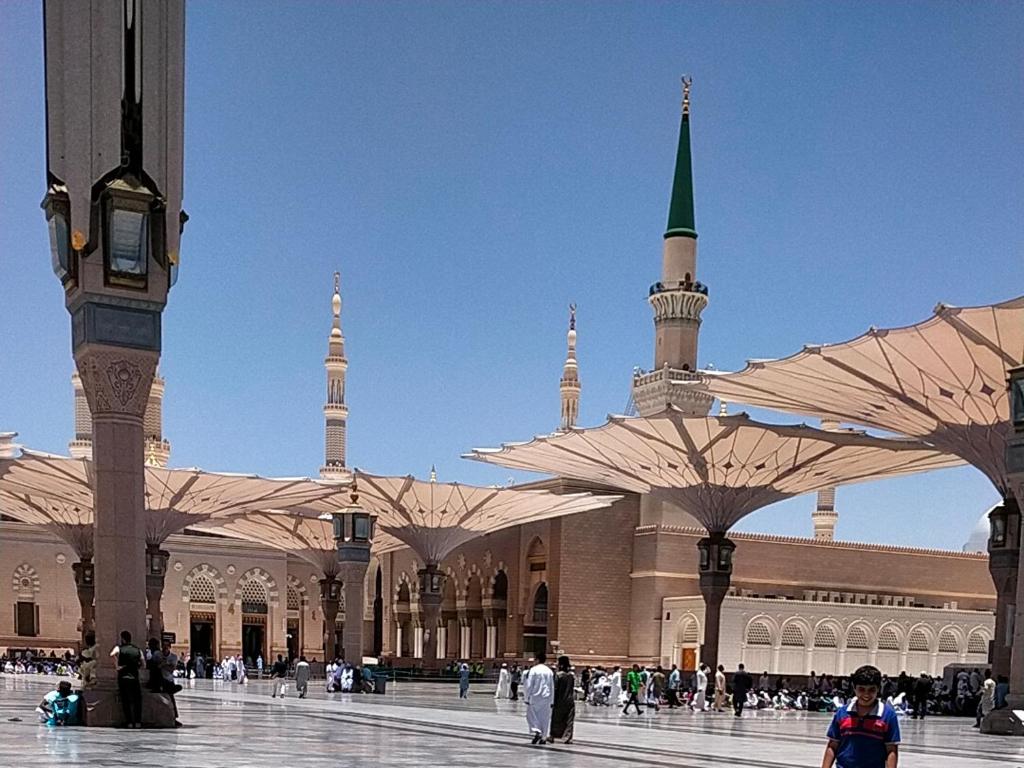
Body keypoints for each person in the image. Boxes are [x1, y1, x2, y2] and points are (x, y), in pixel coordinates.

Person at [821, 665, 900, 768]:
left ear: (878, 689)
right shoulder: (842, 713)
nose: (866, 694)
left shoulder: (888, 716)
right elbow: (833, 745)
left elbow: (891, 750)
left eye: (871, 690)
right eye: (861, 689)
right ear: (854, 688)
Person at [111, 630, 144, 728]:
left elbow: (112, 654)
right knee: (137, 700)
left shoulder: (119, 648)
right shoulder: (138, 650)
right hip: (134, 677)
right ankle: (138, 722)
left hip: (123, 678)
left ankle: (129, 722)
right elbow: (143, 663)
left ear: (122, 639)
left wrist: (117, 666)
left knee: (126, 700)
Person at [524, 652, 554, 744]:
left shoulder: (534, 670)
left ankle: (538, 731)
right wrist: (552, 699)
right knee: (544, 718)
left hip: (535, 697)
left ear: (537, 660)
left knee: (532, 716)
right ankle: (543, 736)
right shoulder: (549, 671)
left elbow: (529, 685)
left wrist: (526, 697)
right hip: (546, 697)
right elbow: (551, 686)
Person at [549, 655, 575, 744]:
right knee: (569, 720)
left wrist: (552, 700)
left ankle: (552, 735)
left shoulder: (558, 675)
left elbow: (554, 688)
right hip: (569, 700)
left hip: (559, 699)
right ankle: (568, 737)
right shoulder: (571, 676)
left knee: (556, 718)